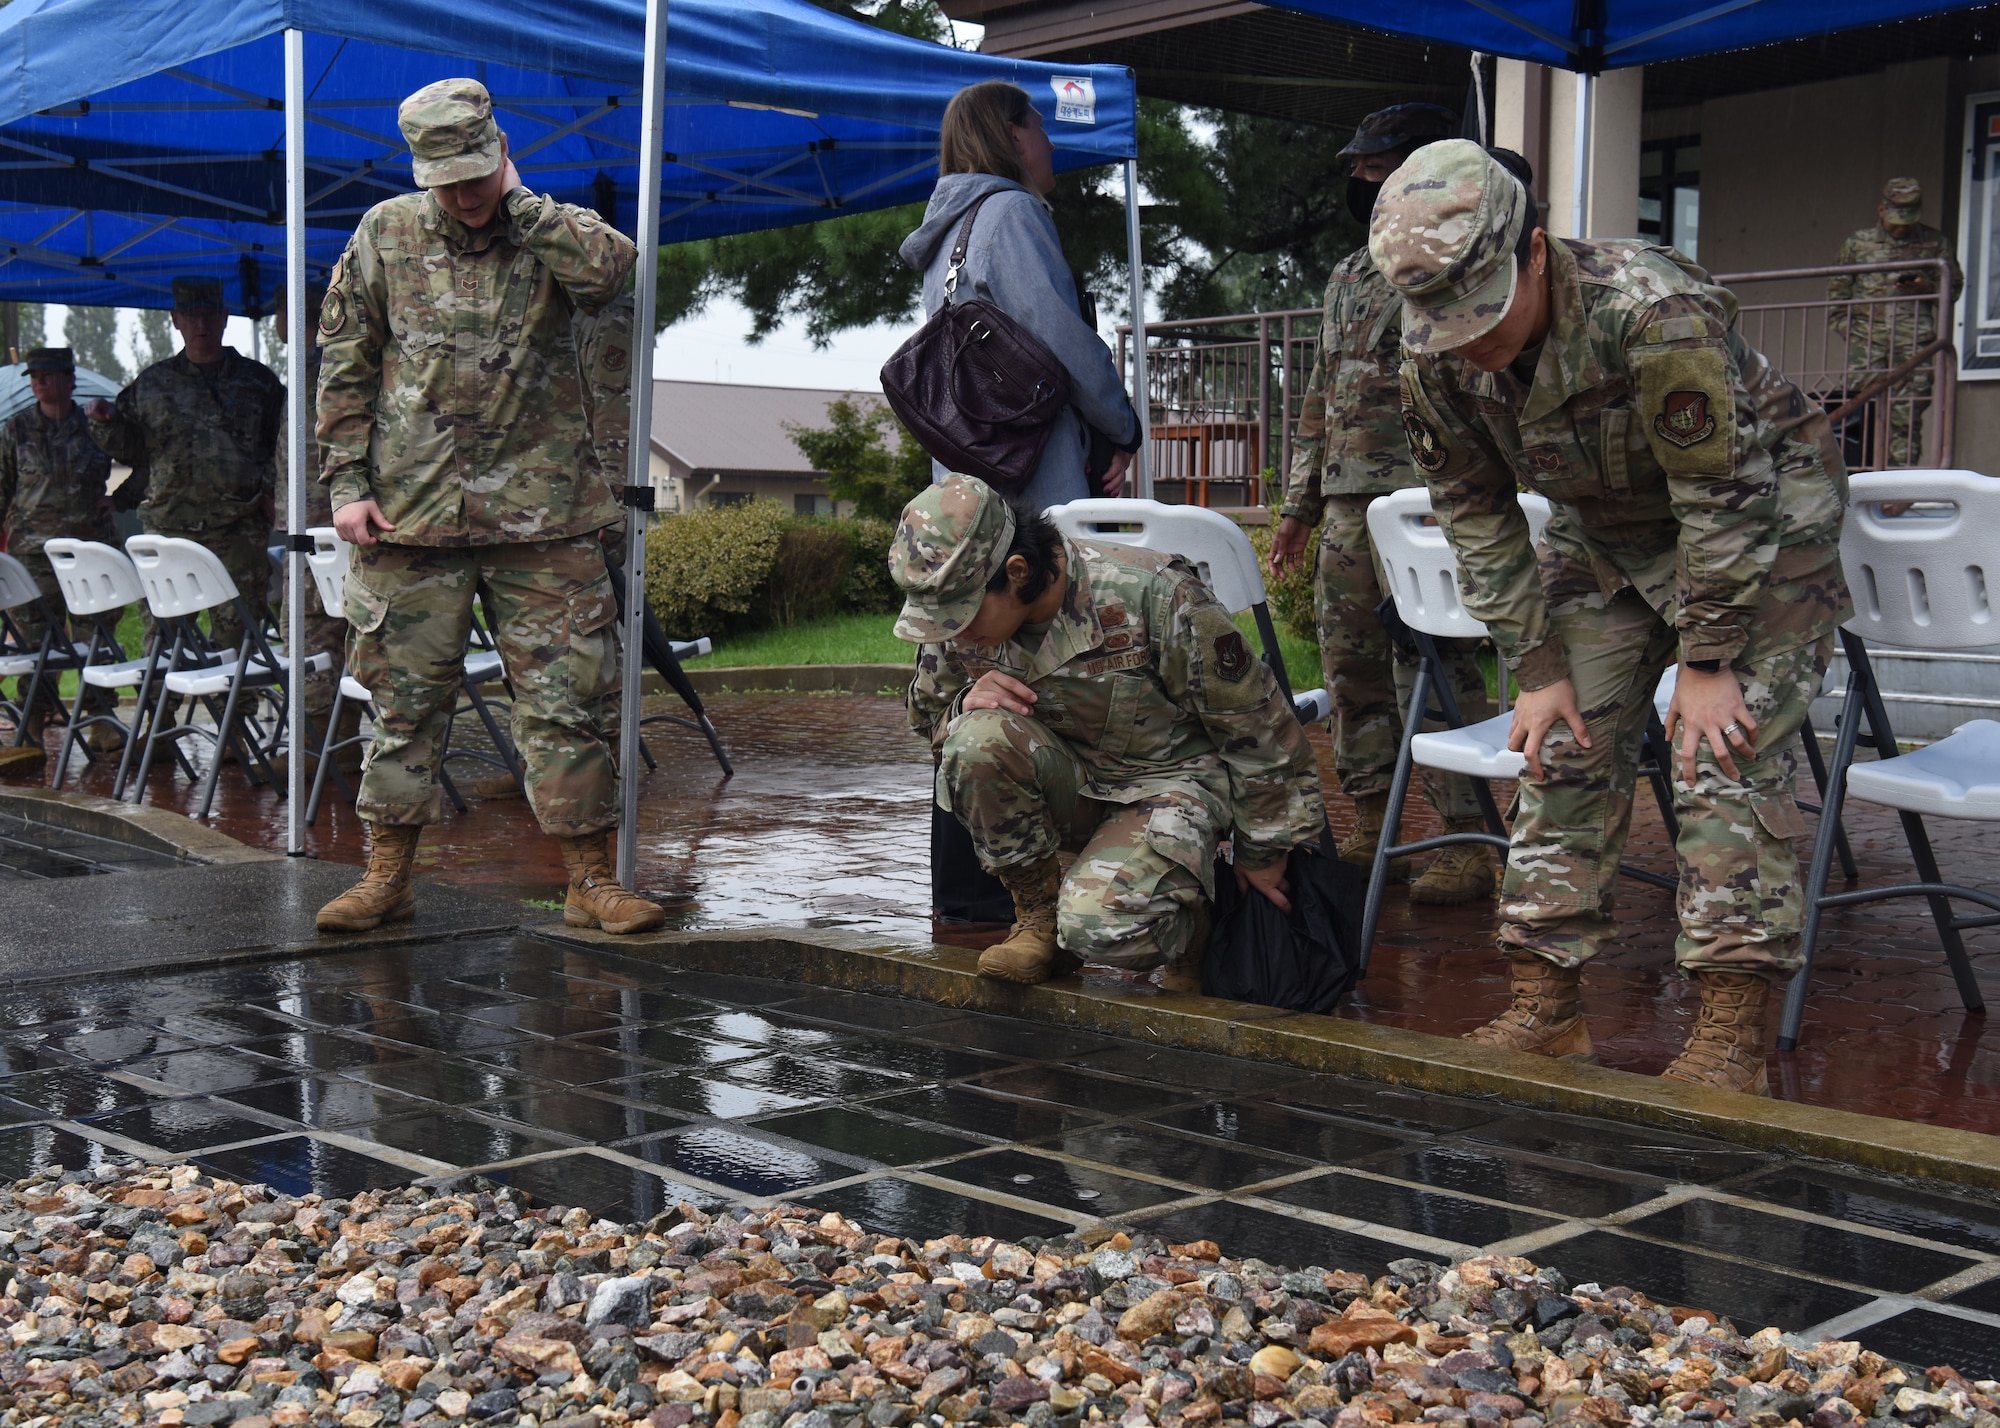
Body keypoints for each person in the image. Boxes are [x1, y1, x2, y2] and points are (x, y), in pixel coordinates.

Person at [1371, 140, 1851, 1094]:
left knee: (1724, 749)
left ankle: (1729, 1031)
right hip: (1610, 533)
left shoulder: (1652, 311)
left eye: (1483, 309)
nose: (1466, 339)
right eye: (1444, 320)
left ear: (1536, 254)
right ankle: (1546, 1008)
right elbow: (1474, 511)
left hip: (1762, 515)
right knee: (1561, 743)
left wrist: (1708, 660)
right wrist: (1539, 668)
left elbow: (1722, 493)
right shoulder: (1431, 344)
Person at [312, 77, 661, 937]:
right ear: (422, 173)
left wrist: (523, 206)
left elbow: (615, 273)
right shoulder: (383, 235)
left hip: (543, 520)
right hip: (411, 518)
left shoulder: (548, 231)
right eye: (450, 182)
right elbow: (345, 362)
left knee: (566, 703)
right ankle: (386, 874)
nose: (467, 197)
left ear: (501, 153)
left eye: (478, 174)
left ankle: (589, 880)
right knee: (402, 704)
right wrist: (347, 487)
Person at [895, 474, 1325, 988]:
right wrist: (965, 701)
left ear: (1017, 571)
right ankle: (1039, 925)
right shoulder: (962, 620)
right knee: (974, 739)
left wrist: (1263, 853)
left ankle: (1192, 926)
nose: (953, 632)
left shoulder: (1152, 594)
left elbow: (1257, 725)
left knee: (1100, 928)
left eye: (962, 614)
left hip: (1171, 784)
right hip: (1075, 786)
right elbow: (928, 717)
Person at [1270, 103, 1501, 905]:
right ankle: (1376, 820)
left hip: (1428, 498)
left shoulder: (1460, 261)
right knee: (1351, 667)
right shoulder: (1344, 275)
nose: (1363, 185)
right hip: (1344, 505)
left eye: (1378, 170)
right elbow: (1319, 396)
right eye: (1359, 172)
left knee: (1434, 666)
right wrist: (1297, 506)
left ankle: (1468, 836)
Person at [899, 81, 1142, 509]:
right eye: (1040, 128)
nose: (1050, 143)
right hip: (1033, 481)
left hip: (967, 484)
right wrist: (1124, 430)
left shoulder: (947, 230)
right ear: (1014, 136)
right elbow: (1064, 341)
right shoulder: (1012, 213)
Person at [86, 278, 283, 658]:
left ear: (225, 318)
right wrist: (105, 423)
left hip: (238, 529)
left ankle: (235, 718)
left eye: (209, 315)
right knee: (163, 641)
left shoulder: (258, 383)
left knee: (239, 642)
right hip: (169, 529)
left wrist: (272, 491)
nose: (201, 324)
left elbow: (284, 443)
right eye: (192, 316)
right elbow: (131, 452)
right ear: (176, 320)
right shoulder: (152, 384)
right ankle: (162, 718)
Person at [0, 347, 118, 747]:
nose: (38, 381)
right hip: (33, 554)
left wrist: (121, 498)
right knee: (34, 641)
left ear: (69, 380)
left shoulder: (94, 427)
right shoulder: (16, 430)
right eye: (34, 376)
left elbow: (143, 458)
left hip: (89, 550)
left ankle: (101, 719)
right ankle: (33, 716)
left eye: (47, 374)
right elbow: (2, 488)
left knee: (96, 634)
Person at [271, 283, 352, 769]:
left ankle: (319, 747)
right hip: (311, 521)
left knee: (311, 630)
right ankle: (330, 743)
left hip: (322, 525)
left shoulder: (322, 366)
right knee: (325, 629)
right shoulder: (312, 366)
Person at [1827, 177, 1963, 467]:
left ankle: (1898, 489)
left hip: (1915, 346)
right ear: (1880, 211)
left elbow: (1954, 289)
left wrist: (1927, 286)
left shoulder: (1935, 243)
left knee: (1906, 418)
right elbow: (1838, 292)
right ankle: (1859, 480)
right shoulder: (1858, 243)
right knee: (1858, 415)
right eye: (1895, 221)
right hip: (1867, 346)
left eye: (1908, 221)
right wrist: (1849, 330)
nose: (1901, 228)